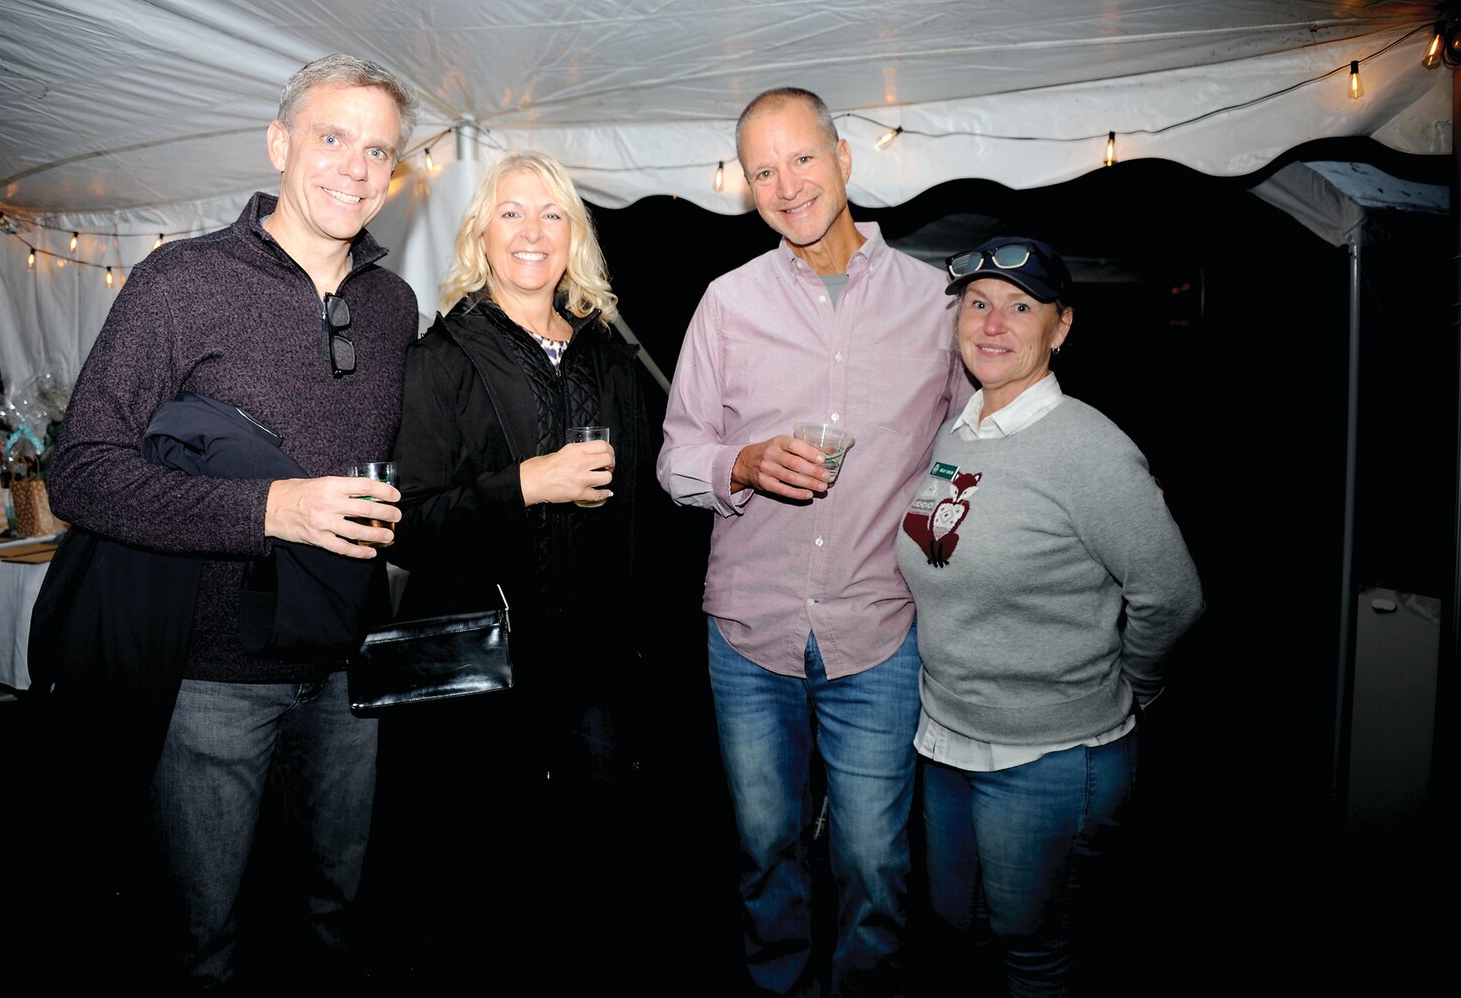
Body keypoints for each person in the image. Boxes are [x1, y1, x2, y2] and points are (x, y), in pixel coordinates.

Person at [39, 53, 420, 989]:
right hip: (213, 680)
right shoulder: (182, 280)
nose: (355, 169)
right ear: (280, 143)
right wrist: (269, 508)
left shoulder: (394, 305)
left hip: (347, 668)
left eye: (379, 151)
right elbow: (81, 473)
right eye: (333, 139)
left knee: (334, 920)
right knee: (201, 939)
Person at [658, 87, 965, 997]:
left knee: (875, 867)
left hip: (878, 632)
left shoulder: (932, 301)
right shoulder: (726, 302)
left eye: (801, 159)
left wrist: (945, 541)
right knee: (765, 853)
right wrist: (741, 464)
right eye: (762, 170)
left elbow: (969, 452)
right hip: (748, 636)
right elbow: (676, 460)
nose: (786, 185)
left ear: (843, 158)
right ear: (745, 185)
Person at [378, 150, 663, 985]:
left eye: (550, 214)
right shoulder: (442, 356)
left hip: (597, 667)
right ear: (481, 235)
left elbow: (641, 516)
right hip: (489, 674)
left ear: (573, 236)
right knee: (490, 883)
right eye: (511, 213)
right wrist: (525, 485)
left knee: (595, 874)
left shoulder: (608, 356)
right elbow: (409, 525)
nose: (531, 231)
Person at [895, 236, 1204, 994]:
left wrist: (1129, 687)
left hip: (1050, 755)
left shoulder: (1087, 448)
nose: (992, 324)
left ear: (1059, 327)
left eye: (1020, 306)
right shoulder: (954, 432)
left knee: (1031, 951)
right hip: (947, 742)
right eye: (976, 304)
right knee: (953, 928)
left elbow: (1170, 594)